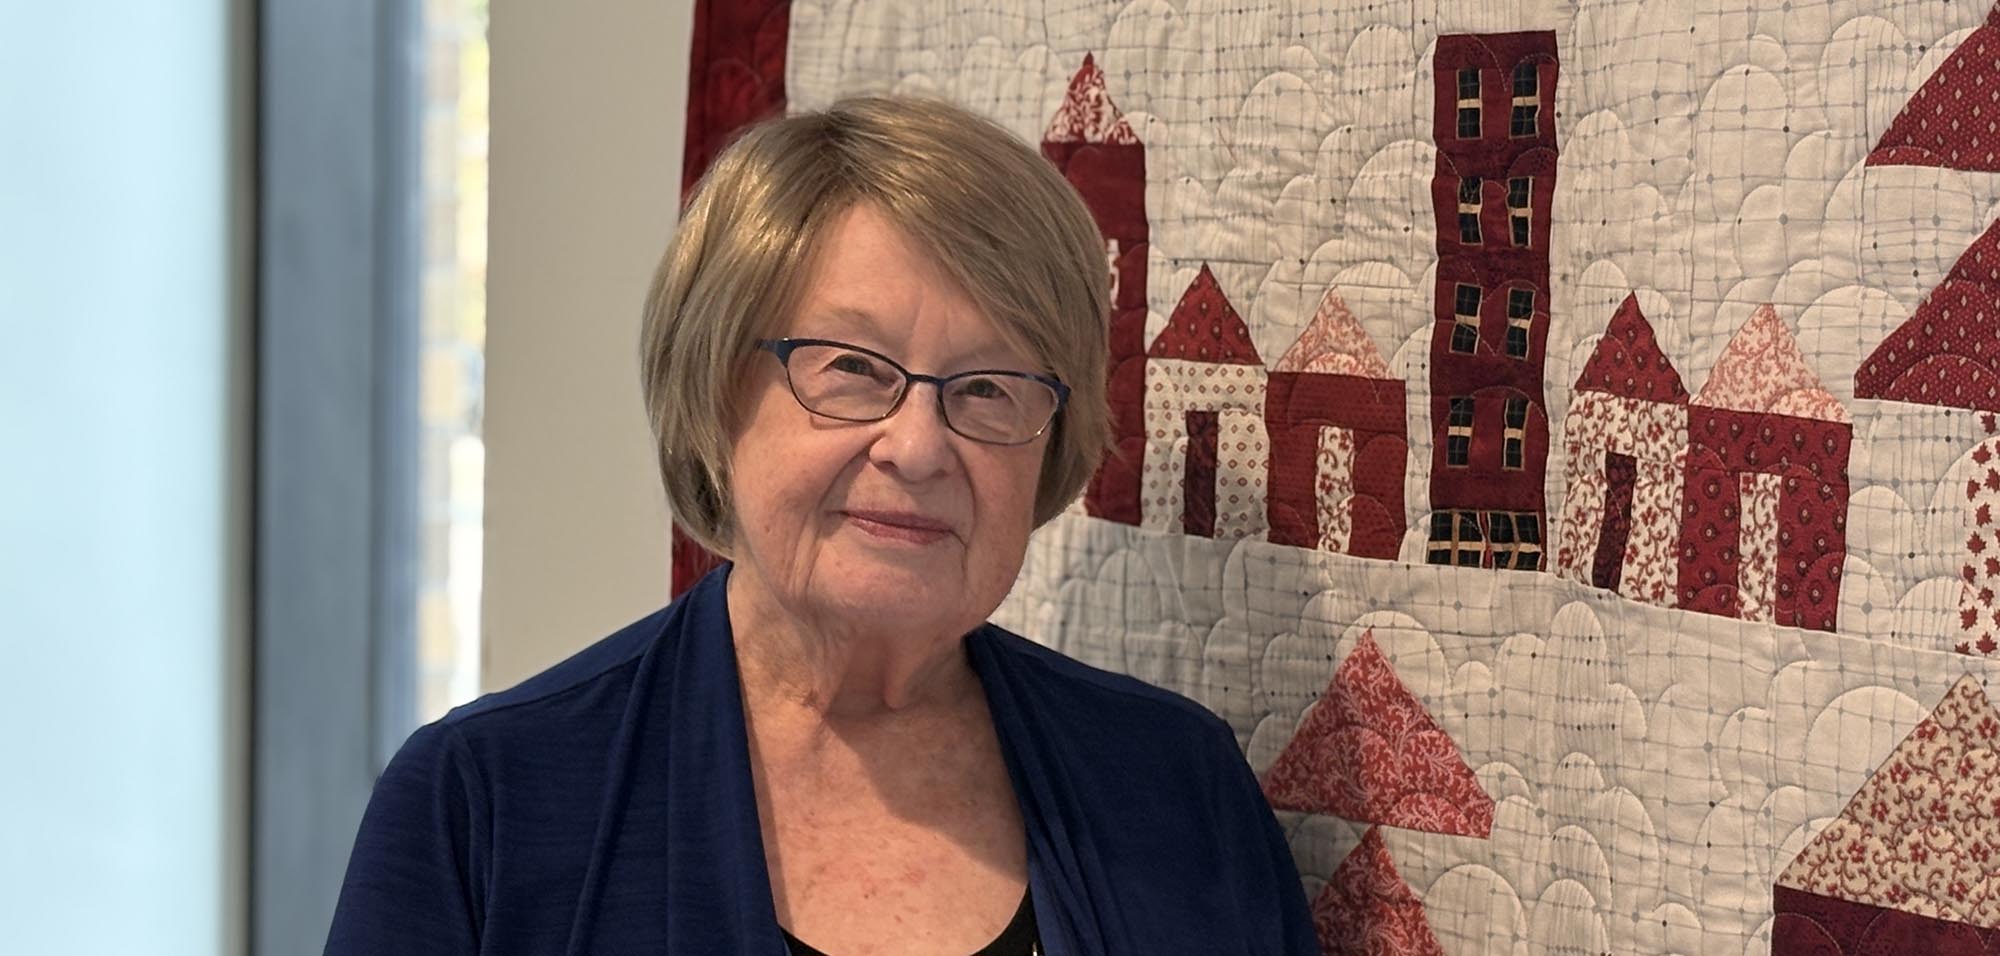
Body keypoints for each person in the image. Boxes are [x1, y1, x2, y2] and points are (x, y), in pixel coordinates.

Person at [324, 95, 1317, 955]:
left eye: (984, 388)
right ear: (716, 397)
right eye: (852, 368)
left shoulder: (1174, 783)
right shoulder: (483, 804)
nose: (918, 445)